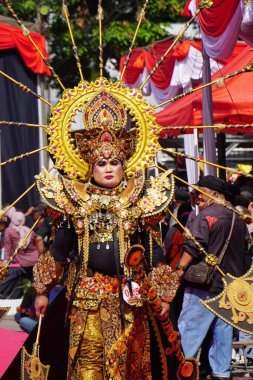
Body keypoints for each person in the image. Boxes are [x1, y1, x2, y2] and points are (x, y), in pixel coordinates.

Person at [33, 90, 183, 380]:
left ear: (124, 165)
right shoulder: (74, 203)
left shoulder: (139, 202)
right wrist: (41, 292)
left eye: (114, 163)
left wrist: (164, 298)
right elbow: (58, 252)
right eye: (101, 164)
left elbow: (154, 254)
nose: (109, 169)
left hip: (131, 300)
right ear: (90, 168)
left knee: (128, 365)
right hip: (87, 299)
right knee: (88, 363)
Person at [175, 175, 250, 380]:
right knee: (222, 339)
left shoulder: (206, 215)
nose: (196, 196)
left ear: (215, 194)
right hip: (229, 288)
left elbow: (193, 245)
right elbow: (245, 253)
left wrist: (179, 269)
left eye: (200, 192)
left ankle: (182, 373)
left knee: (188, 336)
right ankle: (221, 375)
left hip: (203, 287)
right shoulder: (239, 219)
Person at [0, 211, 39, 299]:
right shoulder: (29, 231)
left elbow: (8, 248)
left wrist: (6, 262)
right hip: (34, 261)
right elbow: (34, 247)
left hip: (20, 263)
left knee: (12, 277)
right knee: (35, 284)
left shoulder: (9, 231)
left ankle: (4, 295)